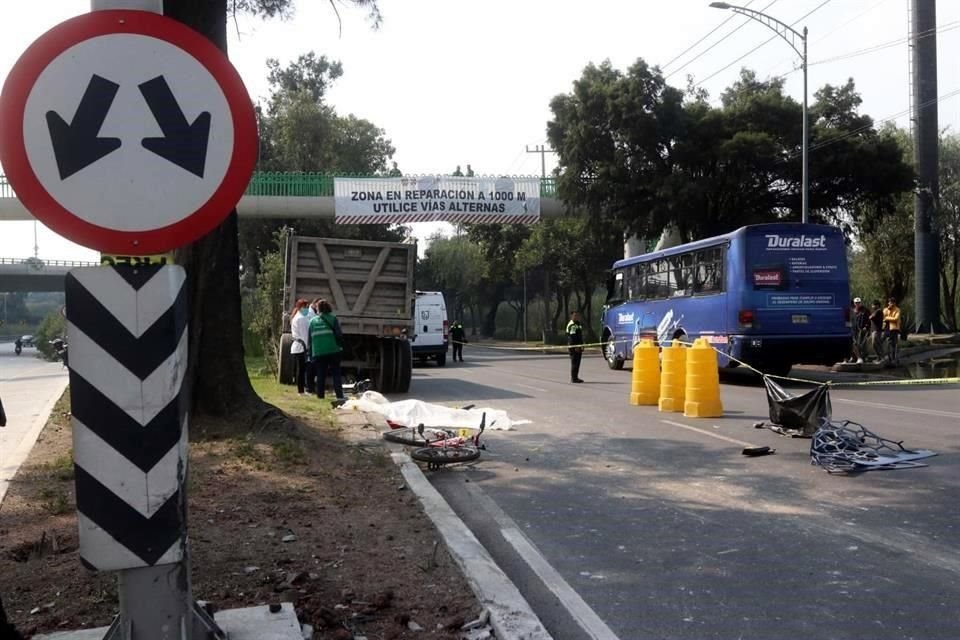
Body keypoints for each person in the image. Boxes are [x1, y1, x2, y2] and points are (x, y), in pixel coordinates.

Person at [309, 299, 345, 401]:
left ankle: (320, 396)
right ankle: (339, 396)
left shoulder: (312, 321)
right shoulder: (333, 319)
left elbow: (309, 339)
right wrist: (340, 346)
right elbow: (338, 334)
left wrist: (310, 354)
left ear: (317, 309)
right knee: (336, 374)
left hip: (319, 352)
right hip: (333, 350)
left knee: (321, 374)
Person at [290, 299, 312, 395]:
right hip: (301, 347)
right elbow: (304, 335)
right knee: (301, 370)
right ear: (300, 307)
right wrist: (308, 347)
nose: (307, 309)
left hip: (298, 346)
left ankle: (301, 390)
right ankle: (301, 391)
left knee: (301, 369)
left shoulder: (297, 317)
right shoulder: (301, 319)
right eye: (305, 307)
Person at [566, 311, 585, 383]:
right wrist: (576, 346)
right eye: (575, 316)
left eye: (577, 316)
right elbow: (573, 337)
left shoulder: (578, 324)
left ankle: (576, 377)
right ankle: (573, 378)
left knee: (578, 363)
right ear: (571, 317)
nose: (576, 317)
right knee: (574, 362)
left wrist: (582, 344)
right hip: (574, 346)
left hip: (579, 346)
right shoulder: (572, 325)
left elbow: (580, 336)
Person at [882, 297, 902, 364]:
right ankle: (887, 357)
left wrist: (887, 318)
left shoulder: (897, 310)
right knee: (885, 342)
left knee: (893, 344)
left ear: (894, 303)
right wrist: (888, 314)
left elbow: (895, 318)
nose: (890, 304)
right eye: (889, 302)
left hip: (894, 328)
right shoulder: (886, 309)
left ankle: (893, 358)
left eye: (891, 303)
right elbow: (883, 317)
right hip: (886, 328)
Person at [851, 297, 870, 364]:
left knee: (863, 344)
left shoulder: (865, 310)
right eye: (856, 303)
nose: (857, 304)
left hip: (863, 329)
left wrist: (866, 327)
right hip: (855, 329)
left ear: (860, 303)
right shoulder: (852, 311)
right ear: (854, 303)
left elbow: (868, 320)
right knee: (855, 343)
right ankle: (855, 357)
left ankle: (865, 357)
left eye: (858, 303)